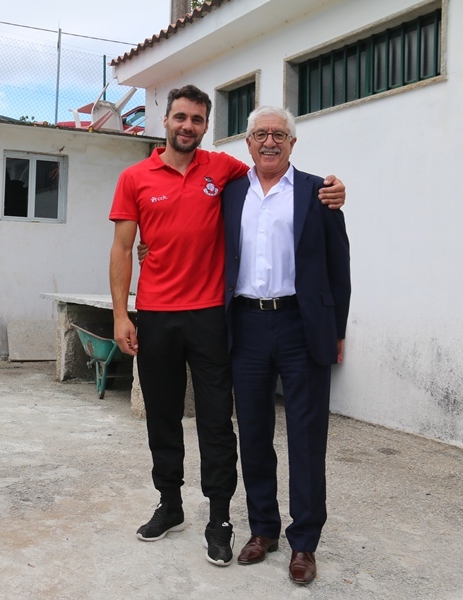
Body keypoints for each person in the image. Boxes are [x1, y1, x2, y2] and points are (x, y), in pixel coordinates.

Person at [109, 85, 345, 567]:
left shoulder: (267, 182)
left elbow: (333, 259)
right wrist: (124, 303)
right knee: (205, 424)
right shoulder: (171, 180)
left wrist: (336, 190)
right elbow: (132, 243)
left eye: (197, 119)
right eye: (180, 117)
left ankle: (264, 531)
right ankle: (211, 517)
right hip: (198, 319)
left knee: (257, 430)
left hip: (254, 322)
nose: (187, 126)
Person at [222, 106, 350, 584]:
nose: (269, 141)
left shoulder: (319, 193)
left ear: (293, 144)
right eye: (261, 134)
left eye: (279, 134)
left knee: (306, 436)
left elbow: (340, 267)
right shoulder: (233, 194)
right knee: (253, 432)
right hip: (247, 325)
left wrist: (337, 330)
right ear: (248, 143)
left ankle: (304, 542)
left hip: (301, 325)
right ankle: (263, 529)